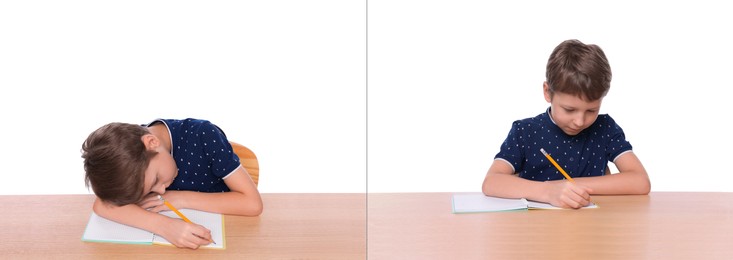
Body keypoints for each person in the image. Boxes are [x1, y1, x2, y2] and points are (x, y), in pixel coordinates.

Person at [481, 39, 651, 209]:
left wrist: (573, 186)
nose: (579, 121)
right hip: (536, 229)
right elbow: (491, 182)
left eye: (591, 110)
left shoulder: (605, 128)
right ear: (548, 92)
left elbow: (640, 181)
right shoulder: (525, 131)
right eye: (569, 110)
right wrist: (549, 191)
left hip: (594, 228)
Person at [82, 118, 263, 249]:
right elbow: (102, 205)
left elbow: (252, 203)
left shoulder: (204, 136)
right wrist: (164, 226)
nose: (161, 190)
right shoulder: (129, 159)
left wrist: (181, 198)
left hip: (233, 241)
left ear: (151, 142)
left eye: (156, 179)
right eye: (149, 190)